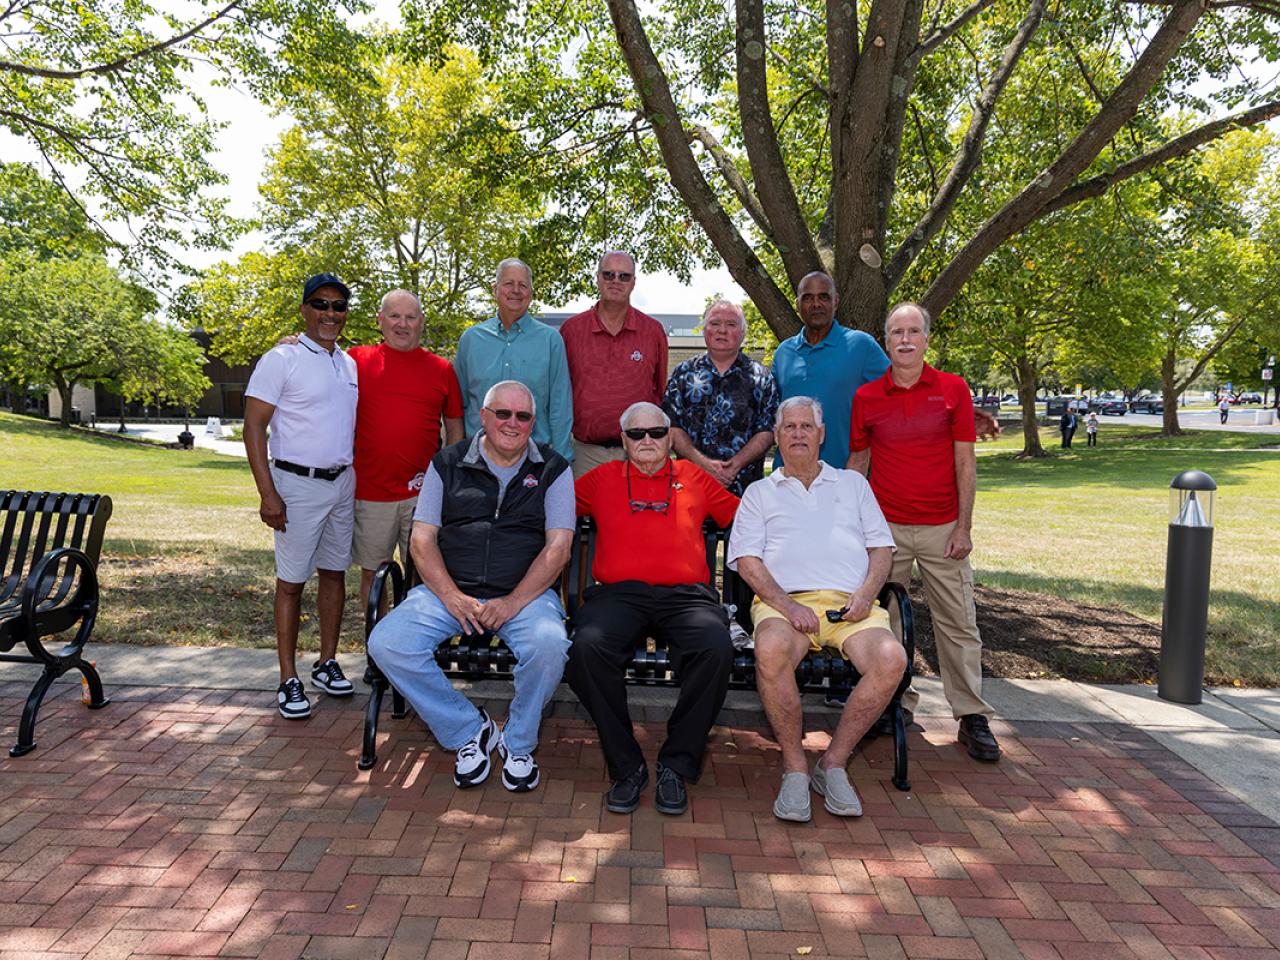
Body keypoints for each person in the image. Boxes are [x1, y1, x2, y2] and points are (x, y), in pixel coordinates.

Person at [367, 381, 574, 792]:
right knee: (387, 642)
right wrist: (451, 596)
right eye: (503, 413)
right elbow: (421, 540)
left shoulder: (553, 469)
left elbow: (559, 547)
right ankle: (467, 730)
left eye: (523, 416)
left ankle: (518, 743)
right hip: (449, 592)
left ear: (533, 423)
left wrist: (513, 602)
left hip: (524, 596)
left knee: (550, 644)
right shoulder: (448, 462)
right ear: (484, 416)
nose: (512, 424)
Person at [728, 397, 903, 822]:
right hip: (783, 606)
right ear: (777, 437)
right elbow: (748, 562)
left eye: (807, 426)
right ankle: (794, 768)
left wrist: (865, 595)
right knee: (769, 650)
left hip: (851, 606)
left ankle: (833, 764)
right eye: (789, 427)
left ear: (822, 435)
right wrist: (785, 604)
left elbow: (881, 548)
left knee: (891, 658)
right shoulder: (759, 493)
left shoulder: (853, 484)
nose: (799, 434)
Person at [568, 401, 739, 816]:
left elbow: (745, 517)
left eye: (657, 433)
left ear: (670, 438)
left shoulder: (693, 477)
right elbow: (550, 514)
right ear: (623, 440)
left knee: (716, 649)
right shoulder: (600, 479)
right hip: (619, 596)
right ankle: (626, 766)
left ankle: (675, 764)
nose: (647, 440)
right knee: (586, 650)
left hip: (686, 598)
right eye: (637, 434)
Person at [847, 302, 1000, 762]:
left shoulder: (953, 390)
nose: (906, 340)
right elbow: (858, 465)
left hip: (942, 530)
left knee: (958, 624)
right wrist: (855, 529)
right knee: (884, 625)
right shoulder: (867, 397)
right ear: (887, 341)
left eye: (914, 331)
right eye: (897, 332)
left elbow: (965, 462)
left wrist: (965, 527)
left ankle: (971, 716)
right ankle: (893, 706)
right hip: (885, 531)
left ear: (927, 338)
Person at [244, 273, 359, 720]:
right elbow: (253, 428)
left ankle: (327, 663)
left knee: (334, 574)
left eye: (338, 306)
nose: (330, 314)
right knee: (291, 582)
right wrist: (268, 493)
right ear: (304, 310)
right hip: (295, 483)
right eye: (321, 304)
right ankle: (287, 677)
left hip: (341, 482)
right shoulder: (281, 359)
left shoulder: (347, 364)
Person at [348, 290, 463, 612]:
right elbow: (316, 364)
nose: (403, 324)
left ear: (422, 322)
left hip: (423, 494)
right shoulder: (355, 360)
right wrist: (293, 345)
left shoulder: (441, 369)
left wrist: (448, 482)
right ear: (380, 320)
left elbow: (454, 428)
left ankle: (413, 646)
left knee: (425, 574)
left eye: (411, 317)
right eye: (395, 316)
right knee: (373, 574)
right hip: (371, 493)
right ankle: (379, 648)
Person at [560, 252, 669, 479]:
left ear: (634, 282)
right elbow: (561, 391)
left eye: (624, 276)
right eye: (608, 274)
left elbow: (659, 392)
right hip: (584, 454)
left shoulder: (653, 331)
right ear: (598, 278)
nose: (616, 281)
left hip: (639, 452)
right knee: (582, 515)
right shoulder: (571, 330)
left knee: (642, 514)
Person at [454, 259, 573, 461]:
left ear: (531, 294)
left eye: (523, 285)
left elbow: (560, 408)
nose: (516, 290)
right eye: (508, 283)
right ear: (495, 289)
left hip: (534, 460)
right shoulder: (470, 340)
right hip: (479, 459)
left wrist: (560, 462)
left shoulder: (551, 341)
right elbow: (458, 406)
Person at [771, 272, 890, 468]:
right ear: (798, 304)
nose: (816, 304)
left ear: (836, 302)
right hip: (787, 476)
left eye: (823, 297)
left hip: (841, 475)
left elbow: (894, 397)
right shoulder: (784, 352)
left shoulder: (861, 345)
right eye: (808, 297)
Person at [663, 300, 779, 494]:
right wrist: (705, 465)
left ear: (742, 333)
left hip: (745, 492)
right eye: (715, 323)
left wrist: (733, 467)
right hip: (691, 487)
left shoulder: (762, 378)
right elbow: (673, 427)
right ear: (704, 329)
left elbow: (767, 431)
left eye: (731, 324)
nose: (722, 330)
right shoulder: (682, 374)